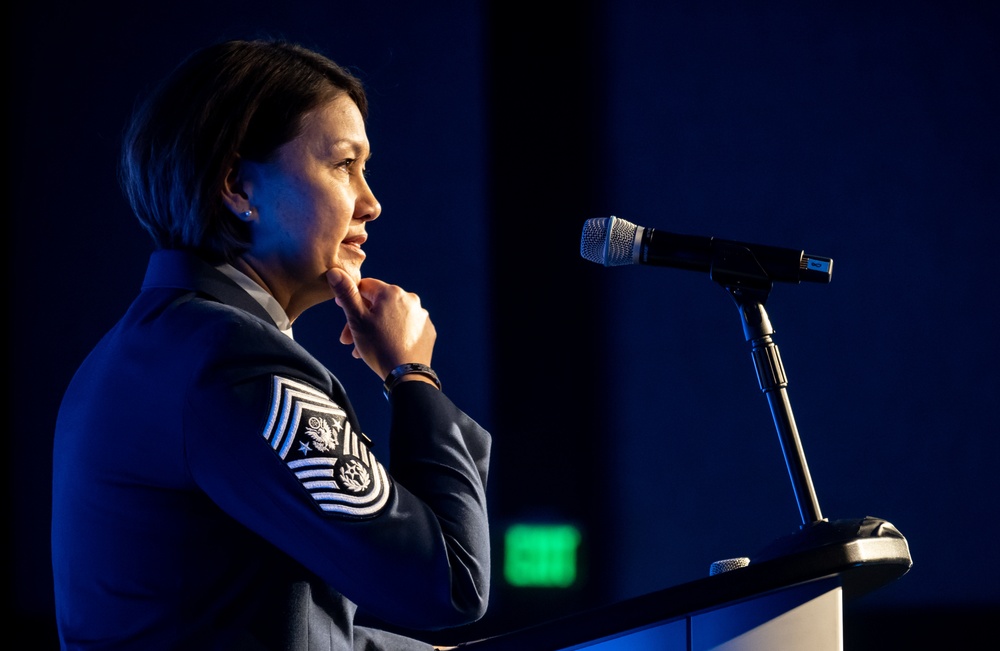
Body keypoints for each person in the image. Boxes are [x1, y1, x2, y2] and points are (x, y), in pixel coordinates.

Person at [50, 38, 491, 650]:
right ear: (236, 185)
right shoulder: (236, 363)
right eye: (343, 165)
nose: (372, 201)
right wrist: (412, 375)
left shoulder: (139, 351)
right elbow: (447, 584)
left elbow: (255, 621)